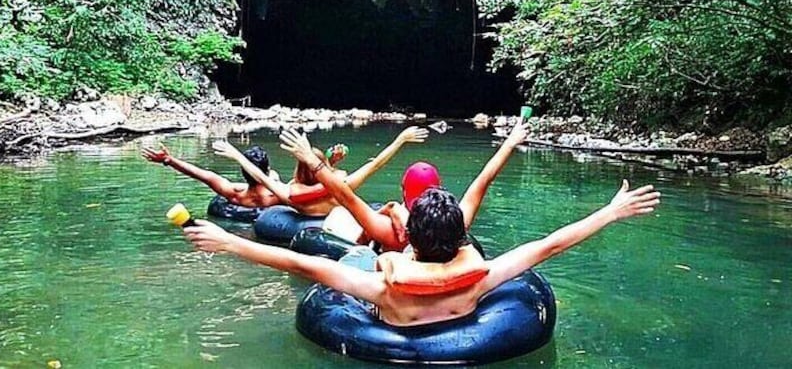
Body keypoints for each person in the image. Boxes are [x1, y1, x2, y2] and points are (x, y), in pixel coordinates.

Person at [182, 180, 660, 327]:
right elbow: (552, 243)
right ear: (460, 241)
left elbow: (299, 262)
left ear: (409, 239)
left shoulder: (377, 285)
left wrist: (229, 242)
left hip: (392, 328)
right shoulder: (483, 277)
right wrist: (611, 211)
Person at [277, 120, 530, 251]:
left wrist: (311, 160)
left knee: (344, 216)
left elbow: (345, 197)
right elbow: (484, 180)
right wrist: (510, 142)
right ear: (439, 189)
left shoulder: (389, 231)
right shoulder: (457, 223)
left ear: (403, 190)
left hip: (392, 267)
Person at [212, 126, 429, 217]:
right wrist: (401, 139)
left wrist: (237, 155)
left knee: (275, 178)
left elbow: (261, 177)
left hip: (309, 213)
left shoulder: (291, 195)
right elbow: (376, 164)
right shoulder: (342, 187)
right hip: (337, 214)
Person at [142, 144, 282, 208]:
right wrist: (273, 178)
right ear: (267, 170)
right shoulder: (280, 196)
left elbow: (203, 175)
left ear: (243, 172)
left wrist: (169, 160)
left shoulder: (234, 194)